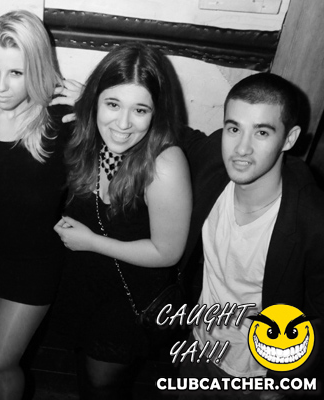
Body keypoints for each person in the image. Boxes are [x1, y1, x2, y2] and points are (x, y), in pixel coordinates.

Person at [52, 43, 192, 399]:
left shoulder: (164, 164)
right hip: (84, 288)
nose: (124, 124)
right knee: (85, 375)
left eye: (140, 110)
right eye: (113, 104)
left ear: (157, 113)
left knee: (101, 386)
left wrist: (90, 242)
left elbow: (167, 252)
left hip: (129, 299)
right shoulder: (88, 138)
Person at [177, 73, 324, 399]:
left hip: (256, 376)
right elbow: (168, 130)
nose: (241, 148)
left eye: (262, 132)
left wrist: (286, 383)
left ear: (289, 138)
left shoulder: (312, 220)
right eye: (234, 129)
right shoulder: (213, 161)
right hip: (198, 350)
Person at [0, 10, 71, 400]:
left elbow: (134, 129)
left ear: (36, 69)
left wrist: (92, 98)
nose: (1, 86)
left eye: (16, 73)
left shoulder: (62, 121)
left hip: (33, 264)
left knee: (0, 359)